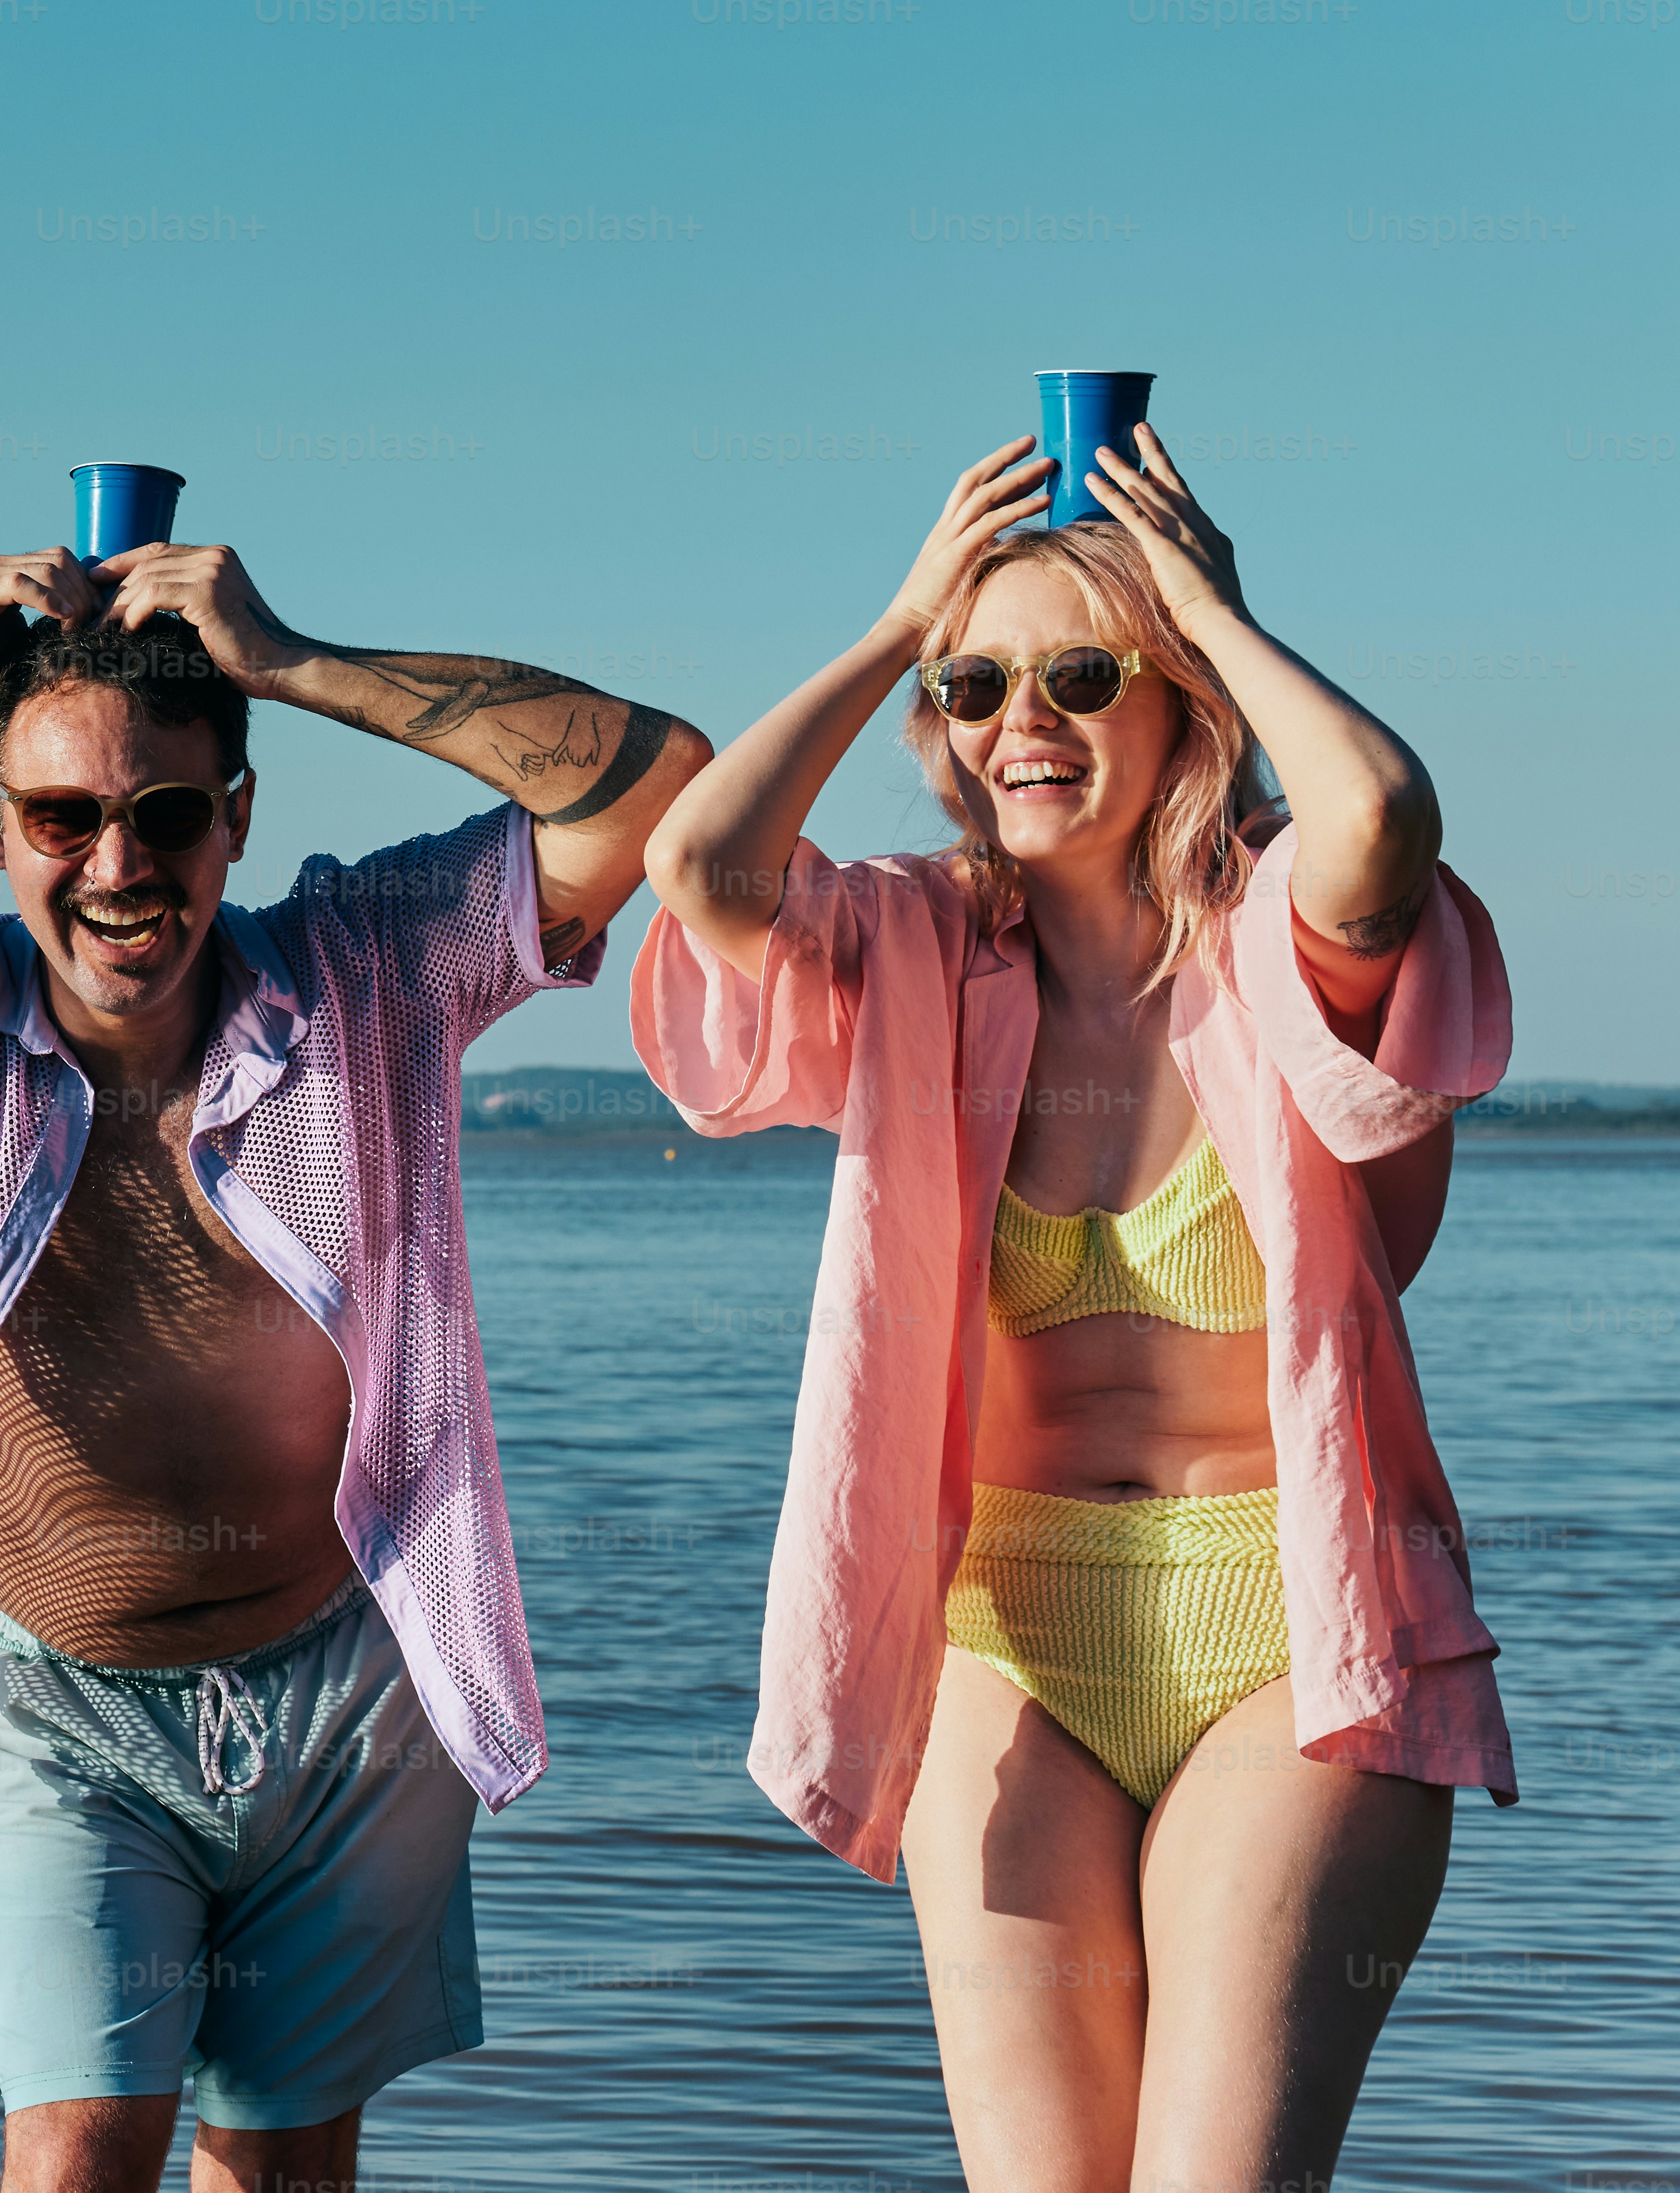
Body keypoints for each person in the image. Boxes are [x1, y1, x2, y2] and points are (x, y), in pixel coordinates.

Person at [0, 537, 705, 2193]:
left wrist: (292, 659)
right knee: (76, 2153)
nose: (115, 863)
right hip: (51, 1709)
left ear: (234, 814)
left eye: (164, 813)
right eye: (62, 815)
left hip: (349, 1704)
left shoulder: (366, 969)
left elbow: (654, 787)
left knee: (284, 2174)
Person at [631, 433, 1513, 2190]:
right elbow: (699, 868)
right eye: (978, 685)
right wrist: (897, 624)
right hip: (1008, 1631)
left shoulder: (1276, 937)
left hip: (1291, 1630)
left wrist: (1202, 600)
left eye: (1082, 675)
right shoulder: (910, 953)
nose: (1019, 718)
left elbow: (1379, 820)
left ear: (1177, 698)